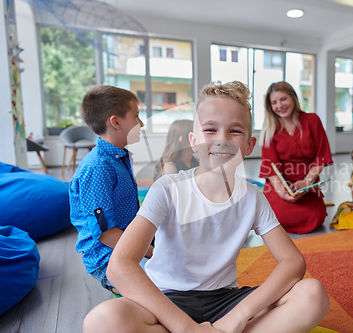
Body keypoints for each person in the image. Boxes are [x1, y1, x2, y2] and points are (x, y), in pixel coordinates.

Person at [82, 81, 330, 333]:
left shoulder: (253, 196)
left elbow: (292, 261)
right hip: (166, 300)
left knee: (312, 295)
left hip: (226, 301)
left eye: (235, 131)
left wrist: (238, 317)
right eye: (210, 129)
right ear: (193, 140)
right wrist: (187, 328)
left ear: (249, 146)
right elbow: (120, 265)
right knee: (101, 321)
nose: (222, 140)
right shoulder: (166, 188)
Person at [69, 85, 154, 294]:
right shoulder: (97, 168)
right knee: (168, 288)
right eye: (136, 117)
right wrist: (153, 253)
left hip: (130, 240)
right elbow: (105, 234)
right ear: (116, 122)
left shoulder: (117, 157)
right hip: (109, 256)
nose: (141, 124)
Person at [259, 81, 333, 234]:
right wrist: (282, 193)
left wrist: (306, 182)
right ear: (270, 107)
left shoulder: (312, 120)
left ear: (293, 98)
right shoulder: (270, 129)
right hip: (280, 184)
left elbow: (321, 156)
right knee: (279, 216)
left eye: (283, 99)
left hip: (307, 181)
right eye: (274, 102)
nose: (279, 105)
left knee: (316, 217)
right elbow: (270, 167)